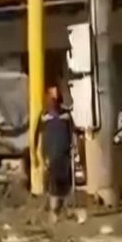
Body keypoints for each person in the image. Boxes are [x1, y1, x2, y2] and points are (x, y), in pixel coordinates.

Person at [37, 86, 76, 219]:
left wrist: (75, 152)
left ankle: (66, 210)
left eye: (56, 98)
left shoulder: (66, 116)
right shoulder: (44, 117)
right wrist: (41, 157)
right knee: (53, 185)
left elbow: (73, 134)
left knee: (65, 184)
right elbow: (39, 137)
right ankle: (54, 213)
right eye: (52, 98)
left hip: (64, 156)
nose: (55, 101)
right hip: (51, 157)